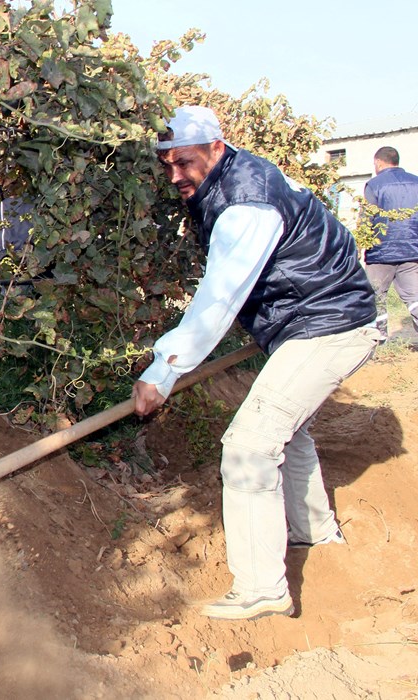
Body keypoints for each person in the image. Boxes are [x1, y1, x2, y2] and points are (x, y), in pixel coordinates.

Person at [131, 106, 379, 621]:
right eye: (167, 165)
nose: (175, 176)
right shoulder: (232, 179)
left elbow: (218, 299)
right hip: (311, 321)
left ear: (216, 149)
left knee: (249, 446)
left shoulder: (247, 203)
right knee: (291, 432)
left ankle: (263, 588)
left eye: (185, 162)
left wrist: (162, 371)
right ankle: (314, 534)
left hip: (329, 327)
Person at [362, 146, 418, 339]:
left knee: (376, 296)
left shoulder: (374, 185)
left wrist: (362, 246)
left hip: (381, 252)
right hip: (412, 250)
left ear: (378, 162)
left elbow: (367, 219)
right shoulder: (416, 182)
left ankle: (379, 338)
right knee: (414, 296)